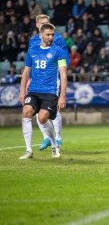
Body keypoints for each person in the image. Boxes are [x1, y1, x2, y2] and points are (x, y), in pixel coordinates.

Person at [18, 23, 67, 159]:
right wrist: (22, 91)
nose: (51, 37)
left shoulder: (59, 51)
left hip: (50, 91)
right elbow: (26, 72)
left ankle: (53, 144)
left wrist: (62, 95)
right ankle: (28, 150)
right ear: (41, 35)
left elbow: (63, 75)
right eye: (48, 34)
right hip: (34, 90)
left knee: (42, 117)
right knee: (26, 111)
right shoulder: (32, 50)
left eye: (52, 35)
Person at [28, 14, 70, 151]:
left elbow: (64, 58)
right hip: (37, 79)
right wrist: (30, 78)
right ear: (37, 25)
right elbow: (32, 62)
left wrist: (60, 72)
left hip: (53, 77)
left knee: (53, 109)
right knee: (37, 109)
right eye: (42, 23)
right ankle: (47, 136)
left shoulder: (57, 38)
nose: (46, 25)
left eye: (47, 22)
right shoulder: (33, 41)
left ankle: (58, 138)